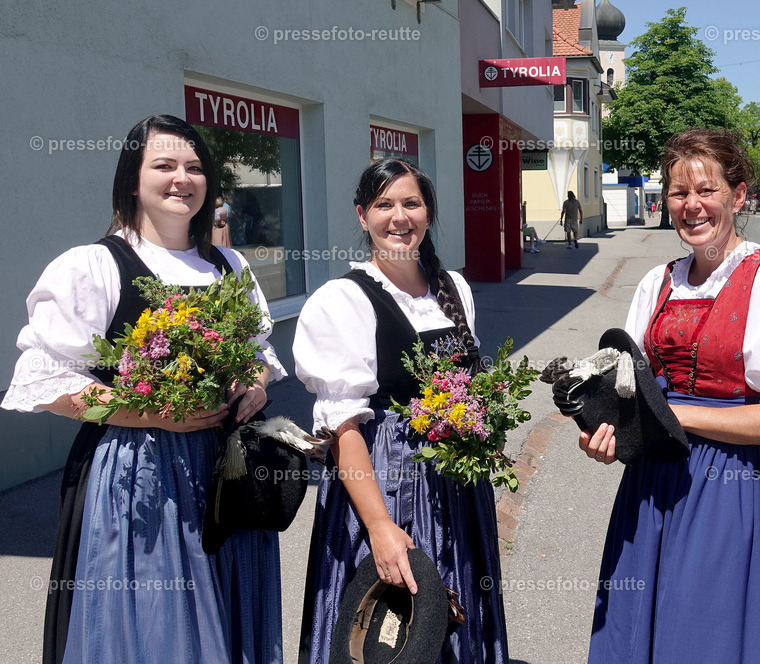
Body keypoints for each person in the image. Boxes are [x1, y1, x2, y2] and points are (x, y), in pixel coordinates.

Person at [1, 115, 286, 664]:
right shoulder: (96, 266)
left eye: (195, 167)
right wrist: (154, 414)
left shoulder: (228, 264)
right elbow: (46, 381)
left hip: (227, 469)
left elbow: (258, 350)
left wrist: (254, 382)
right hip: (140, 472)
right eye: (165, 165)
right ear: (133, 179)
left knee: (227, 609)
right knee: (158, 625)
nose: (183, 178)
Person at [579, 129, 760, 663]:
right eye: (677, 192)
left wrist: (673, 415)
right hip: (653, 481)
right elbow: (632, 391)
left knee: (708, 633)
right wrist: (608, 432)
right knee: (640, 626)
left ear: (738, 195)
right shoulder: (656, 283)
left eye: (705, 190)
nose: (690, 206)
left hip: (737, 487)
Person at [294, 158, 508, 664]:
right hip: (384, 480)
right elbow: (341, 426)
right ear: (362, 216)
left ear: (428, 214)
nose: (399, 216)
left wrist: (485, 427)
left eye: (411, 203)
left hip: (454, 484)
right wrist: (379, 528)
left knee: (451, 611)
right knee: (388, 626)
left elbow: (468, 380)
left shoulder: (453, 288)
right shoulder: (343, 300)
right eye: (384, 204)